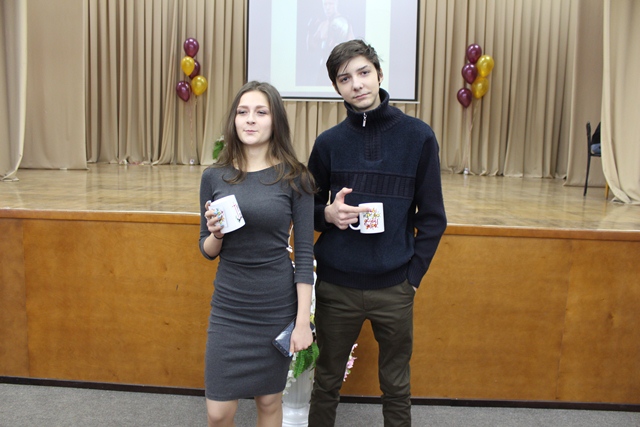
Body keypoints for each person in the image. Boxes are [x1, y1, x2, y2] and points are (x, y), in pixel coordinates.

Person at [307, 40, 447, 426]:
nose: (357, 84)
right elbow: (305, 210)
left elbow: (433, 218)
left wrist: (411, 278)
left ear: (379, 74)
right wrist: (327, 214)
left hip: (394, 287)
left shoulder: (418, 137)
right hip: (336, 288)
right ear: (336, 87)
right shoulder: (328, 143)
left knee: (397, 386)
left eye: (364, 72)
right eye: (345, 78)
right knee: (326, 382)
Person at [199, 81, 316, 427]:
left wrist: (302, 322)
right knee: (218, 413)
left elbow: (304, 255)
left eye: (261, 112)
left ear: (275, 120)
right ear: (234, 120)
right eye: (243, 112)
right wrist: (216, 234)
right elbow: (206, 250)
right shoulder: (214, 176)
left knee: (268, 401)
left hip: (275, 306)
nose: (250, 119)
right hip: (230, 307)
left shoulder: (295, 177)